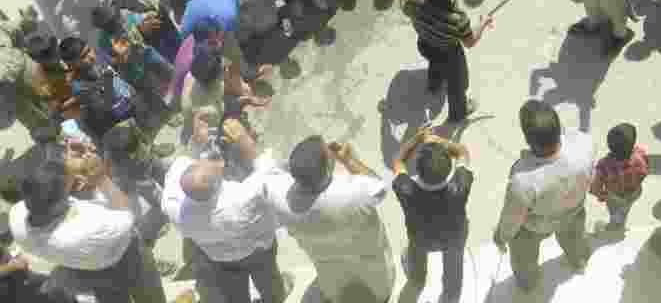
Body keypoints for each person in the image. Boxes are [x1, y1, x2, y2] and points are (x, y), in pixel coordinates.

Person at [10, 159, 167, 303]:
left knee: (113, 298)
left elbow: (49, 192)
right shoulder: (84, 229)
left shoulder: (17, 217)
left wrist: (68, 168)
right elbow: (128, 214)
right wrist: (101, 179)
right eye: (66, 188)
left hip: (87, 269)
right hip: (125, 256)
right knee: (149, 295)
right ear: (58, 204)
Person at [161, 128, 287, 303]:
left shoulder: (176, 209)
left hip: (221, 260)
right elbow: (269, 174)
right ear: (218, 180)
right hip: (258, 253)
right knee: (269, 282)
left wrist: (197, 144)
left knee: (235, 294)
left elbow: (177, 172)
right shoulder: (243, 197)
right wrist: (246, 141)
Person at [265, 136, 395, 303]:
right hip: (378, 283)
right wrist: (348, 160)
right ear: (327, 168)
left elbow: (269, 170)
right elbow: (379, 186)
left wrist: (296, 165)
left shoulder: (281, 201)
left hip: (332, 287)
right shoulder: (356, 193)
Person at [494, 100, 593, 291]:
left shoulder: (522, 179)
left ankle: (527, 282)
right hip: (574, 213)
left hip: (535, 226)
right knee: (576, 240)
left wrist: (501, 236)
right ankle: (578, 261)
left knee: (523, 256)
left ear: (527, 139)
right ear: (558, 127)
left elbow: (513, 217)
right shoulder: (584, 144)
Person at [396, 0, 490, 123]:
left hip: (425, 44)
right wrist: (483, 23)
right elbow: (469, 42)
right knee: (457, 86)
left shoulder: (413, 2)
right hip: (449, 54)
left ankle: (434, 86)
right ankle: (458, 113)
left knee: (435, 64)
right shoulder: (458, 18)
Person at [391, 127, 472, 303]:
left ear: (417, 170)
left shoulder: (406, 189)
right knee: (454, 264)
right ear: (449, 167)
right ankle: (451, 294)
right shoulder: (460, 184)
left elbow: (398, 160)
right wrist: (436, 140)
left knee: (417, 257)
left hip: (420, 238)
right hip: (453, 237)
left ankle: (418, 279)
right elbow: (462, 152)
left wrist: (419, 138)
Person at [590, 122, 649, 232]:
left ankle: (615, 225)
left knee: (615, 211)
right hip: (634, 193)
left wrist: (601, 195)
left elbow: (594, 188)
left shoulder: (604, 165)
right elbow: (644, 172)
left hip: (614, 196)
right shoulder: (640, 156)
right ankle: (621, 220)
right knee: (626, 208)